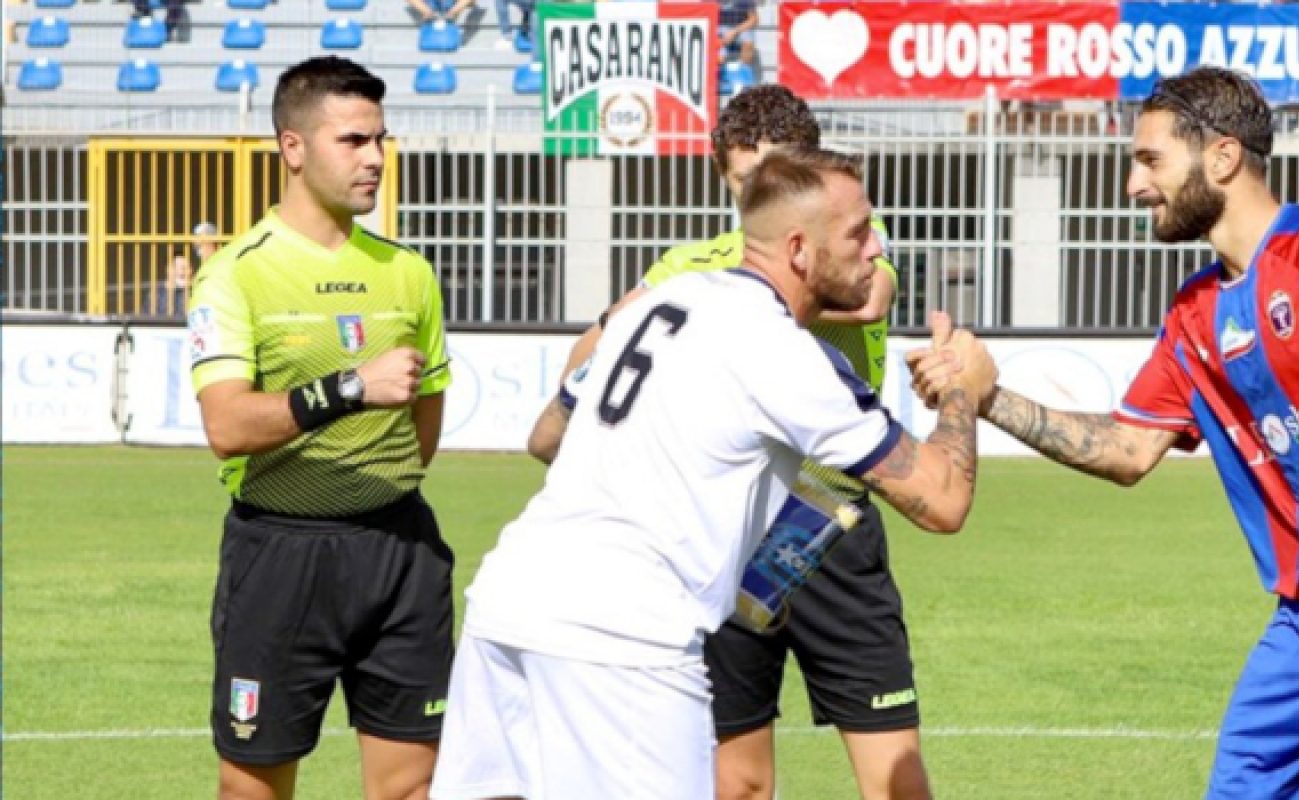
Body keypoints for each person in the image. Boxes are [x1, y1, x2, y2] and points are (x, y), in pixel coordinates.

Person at [910, 66, 1299, 799]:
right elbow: (1127, 449)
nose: (1134, 186)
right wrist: (987, 397)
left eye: (1150, 161)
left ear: (1223, 158)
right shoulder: (1194, 312)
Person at [430, 147, 995, 799]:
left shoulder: (658, 300)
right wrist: (962, 387)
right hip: (624, 639)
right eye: (859, 232)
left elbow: (546, 435)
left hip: (508, 605)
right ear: (800, 250)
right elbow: (943, 500)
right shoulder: (782, 349)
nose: (876, 248)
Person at [526, 84, 930, 800]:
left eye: (781, 176)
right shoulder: (690, 265)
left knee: (893, 776)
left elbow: (868, 299)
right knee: (736, 780)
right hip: (729, 531)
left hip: (829, 517)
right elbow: (596, 348)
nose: (766, 195)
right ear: (724, 180)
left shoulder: (854, 243)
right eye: (748, 182)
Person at [188, 56, 454, 800]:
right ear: (293, 148)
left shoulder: (409, 271)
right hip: (280, 557)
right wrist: (347, 389)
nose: (374, 158)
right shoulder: (237, 273)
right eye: (353, 141)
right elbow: (227, 424)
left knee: (413, 785)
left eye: (381, 139)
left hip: (399, 552)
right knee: (253, 787)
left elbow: (422, 424)